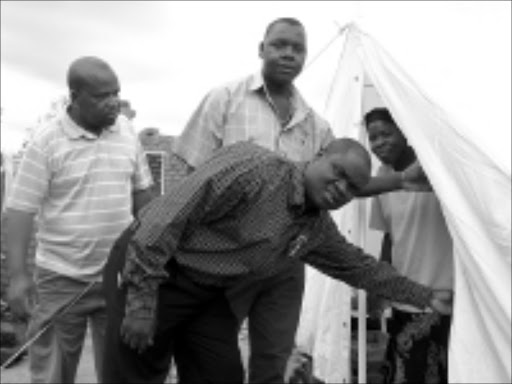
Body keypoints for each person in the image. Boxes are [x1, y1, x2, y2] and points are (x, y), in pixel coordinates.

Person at [102, 139, 453, 384]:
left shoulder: (316, 229)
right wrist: (142, 303)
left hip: (209, 291)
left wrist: (425, 296)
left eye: (352, 188)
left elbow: (360, 268)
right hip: (153, 266)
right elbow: (160, 221)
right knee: (139, 369)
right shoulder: (254, 168)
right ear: (317, 154)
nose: (341, 188)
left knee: (219, 375)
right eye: (338, 172)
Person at [173, 17, 335, 383]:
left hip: (284, 266)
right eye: (279, 44)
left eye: (298, 48)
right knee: (209, 360)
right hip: (222, 259)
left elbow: (331, 186)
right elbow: (188, 175)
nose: (288, 54)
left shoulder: (316, 125)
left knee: (274, 361)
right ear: (261, 48)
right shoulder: (225, 100)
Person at [4, 56, 155, 383]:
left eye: (116, 92)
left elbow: (143, 193)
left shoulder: (126, 132)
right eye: (102, 96)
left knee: (119, 370)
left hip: (117, 276)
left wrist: (151, 254)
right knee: (53, 373)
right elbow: (20, 210)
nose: (113, 102)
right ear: (74, 97)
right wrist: (18, 276)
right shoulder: (47, 141)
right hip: (60, 277)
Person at [363, 107, 454, 383]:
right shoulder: (381, 178)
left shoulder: (436, 168)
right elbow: (390, 236)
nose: (379, 143)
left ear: (405, 131)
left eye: (386, 133)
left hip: (446, 295)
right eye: (373, 137)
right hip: (406, 296)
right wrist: (378, 285)